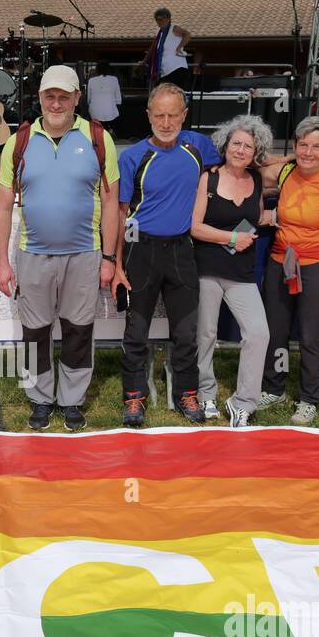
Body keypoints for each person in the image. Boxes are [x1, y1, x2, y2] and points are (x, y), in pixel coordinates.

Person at [0, 65, 120, 432]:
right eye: (50, 95)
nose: (57, 102)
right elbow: (3, 207)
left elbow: (111, 204)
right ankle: (40, 398)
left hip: (84, 254)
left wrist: (109, 257)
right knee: (35, 330)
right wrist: (2, 262)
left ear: (77, 98)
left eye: (64, 95)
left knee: (79, 329)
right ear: (40, 98)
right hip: (32, 254)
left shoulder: (99, 138)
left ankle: (72, 400)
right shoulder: (18, 142)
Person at [113, 82, 220, 426]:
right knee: (136, 331)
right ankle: (134, 397)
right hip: (140, 250)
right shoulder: (132, 156)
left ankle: (187, 394)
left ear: (185, 115)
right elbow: (119, 212)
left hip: (181, 249)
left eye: (173, 114)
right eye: (159, 114)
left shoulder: (198, 146)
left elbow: (237, 161)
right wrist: (115, 262)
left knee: (186, 332)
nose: (166, 121)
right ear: (148, 115)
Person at [256, 116, 319, 426]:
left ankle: (308, 399)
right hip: (281, 261)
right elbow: (256, 167)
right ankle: (274, 388)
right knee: (275, 331)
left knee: (311, 336)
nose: (309, 152)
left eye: (317, 146)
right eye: (303, 145)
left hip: (317, 263)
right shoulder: (286, 171)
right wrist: (292, 157)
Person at [190, 115, 273, 428]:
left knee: (258, 332)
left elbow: (257, 217)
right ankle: (205, 392)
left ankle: (243, 402)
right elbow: (194, 227)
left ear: (255, 152)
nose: (240, 150)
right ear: (225, 145)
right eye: (236, 143)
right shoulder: (207, 178)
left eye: (248, 146)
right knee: (206, 334)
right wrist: (231, 238)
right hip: (206, 267)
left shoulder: (256, 181)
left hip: (242, 272)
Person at [141, 8, 191, 89]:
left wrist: (179, 47)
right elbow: (153, 48)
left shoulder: (174, 28)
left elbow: (187, 34)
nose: (159, 21)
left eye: (162, 19)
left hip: (177, 68)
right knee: (160, 93)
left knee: (172, 95)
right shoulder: (159, 32)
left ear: (168, 19)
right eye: (157, 19)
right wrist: (144, 61)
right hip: (165, 71)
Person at [86, 62, 122, 130]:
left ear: (97, 70)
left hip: (94, 115)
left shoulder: (91, 80)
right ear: (109, 69)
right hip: (111, 115)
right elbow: (118, 100)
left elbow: (88, 100)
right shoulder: (114, 79)